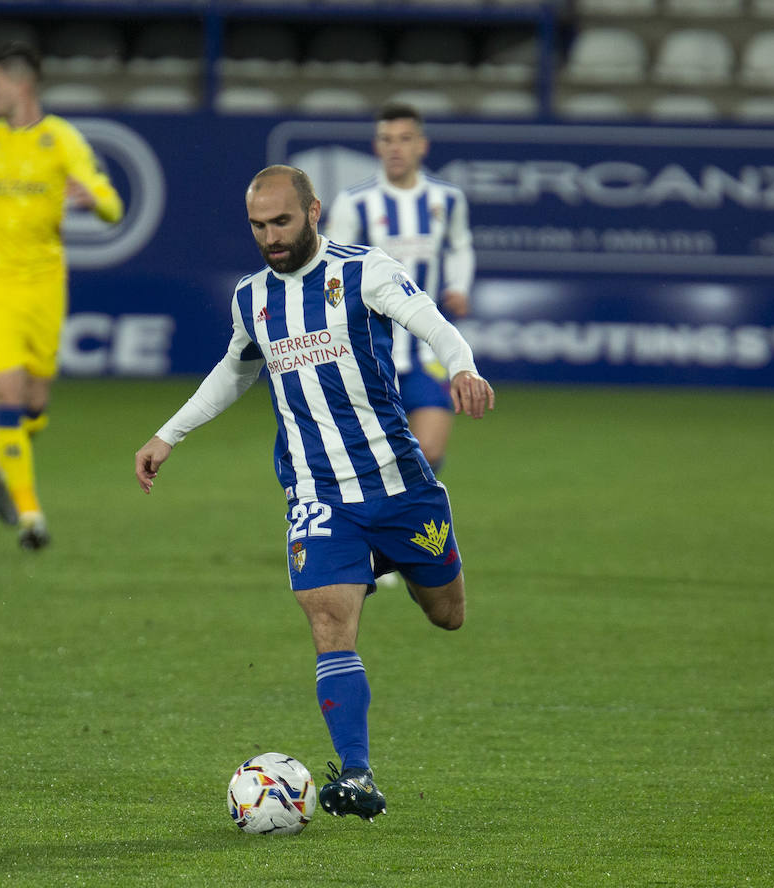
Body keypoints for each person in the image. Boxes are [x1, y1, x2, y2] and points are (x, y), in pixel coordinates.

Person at [134, 166, 494, 821]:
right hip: (318, 493)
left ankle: (391, 566)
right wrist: (169, 435)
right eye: (258, 226)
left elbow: (429, 321)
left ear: (312, 212)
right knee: (330, 625)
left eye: (281, 222)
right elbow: (233, 370)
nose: (270, 237)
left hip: (402, 488)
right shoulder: (252, 296)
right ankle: (356, 775)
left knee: (448, 615)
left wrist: (462, 365)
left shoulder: (363, 271)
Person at [0, 42, 124, 550]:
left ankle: (1, 464)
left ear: (21, 86)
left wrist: (94, 201)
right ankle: (30, 517)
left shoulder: (61, 139)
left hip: (45, 285)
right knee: (6, 394)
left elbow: (113, 203)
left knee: (35, 404)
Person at [323, 103, 475, 473]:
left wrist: (459, 286)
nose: (395, 148)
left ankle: (403, 517)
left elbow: (460, 244)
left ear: (421, 145)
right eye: (387, 139)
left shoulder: (447, 199)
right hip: (371, 351)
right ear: (376, 146)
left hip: (427, 351)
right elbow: (330, 267)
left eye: (404, 139)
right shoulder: (354, 202)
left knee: (430, 452)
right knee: (366, 462)